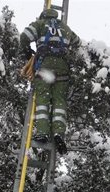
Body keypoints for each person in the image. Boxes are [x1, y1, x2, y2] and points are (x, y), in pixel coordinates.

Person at [19, 8, 81, 155]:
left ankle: (42, 132)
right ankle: (59, 132)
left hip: (44, 67)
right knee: (60, 102)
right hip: (62, 68)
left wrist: (28, 53)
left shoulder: (40, 24)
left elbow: (24, 37)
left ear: (43, 16)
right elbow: (77, 43)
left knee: (43, 100)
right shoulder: (65, 28)